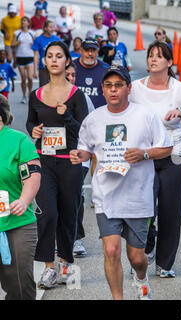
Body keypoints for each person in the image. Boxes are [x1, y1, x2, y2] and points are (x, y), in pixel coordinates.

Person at [70, 65, 173, 300]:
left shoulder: (145, 116)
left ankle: (141, 278)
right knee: (111, 250)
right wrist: (81, 156)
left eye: (118, 85)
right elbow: (85, 149)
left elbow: (167, 148)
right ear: (103, 90)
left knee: (137, 257)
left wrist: (144, 154)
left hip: (138, 195)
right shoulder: (94, 119)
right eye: (108, 86)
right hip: (106, 195)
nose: (113, 90)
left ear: (128, 88)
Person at [129, 41, 181, 278]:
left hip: (175, 155)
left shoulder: (178, 89)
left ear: (169, 62)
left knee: (171, 210)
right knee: (143, 208)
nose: (153, 59)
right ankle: (146, 244)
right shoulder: (136, 88)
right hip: (145, 156)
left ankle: (164, 264)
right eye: (150, 55)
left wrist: (180, 112)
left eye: (159, 56)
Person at [26, 41, 88, 290]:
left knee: (68, 214)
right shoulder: (36, 95)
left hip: (69, 163)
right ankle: (48, 268)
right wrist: (35, 130)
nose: (53, 60)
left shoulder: (76, 95)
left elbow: (85, 130)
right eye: (49, 56)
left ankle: (65, 264)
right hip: (45, 162)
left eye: (59, 56)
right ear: (45, 61)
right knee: (47, 214)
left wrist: (67, 116)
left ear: (66, 62)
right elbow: (30, 124)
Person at [0, 94, 41, 300]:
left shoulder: (19, 141)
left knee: (19, 284)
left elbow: (32, 176)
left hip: (16, 222)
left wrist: (24, 200)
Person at [65, 62, 95, 258]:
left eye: (73, 75)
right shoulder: (44, 95)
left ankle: (76, 238)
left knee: (75, 195)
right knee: (60, 197)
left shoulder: (82, 97)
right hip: (55, 154)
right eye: (67, 74)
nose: (70, 78)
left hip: (78, 155)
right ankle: (62, 237)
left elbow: (90, 126)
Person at [73, 39, 109, 109]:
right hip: (76, 115)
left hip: (99, 115)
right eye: (87, 50)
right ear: (81, 51)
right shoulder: (71, 67)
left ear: (97, 51)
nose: (90, 54)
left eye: (93, 50)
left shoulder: (106, 69)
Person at [12, 16, 36, 104]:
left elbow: (36, 46)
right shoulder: (17, 33)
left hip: (30, 57)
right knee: (23, 78)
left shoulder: (32, 33)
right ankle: (24, 95)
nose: (23, 22)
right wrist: (16, 43)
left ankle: (30, 93)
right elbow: (12, 45)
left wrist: (33, 44)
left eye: (25, 21)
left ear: (28, 23)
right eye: (22, 21)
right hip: (20, 57)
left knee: (30, 77)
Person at [32, 20, 60, 87]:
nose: (52, 29)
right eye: (50, 27)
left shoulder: (57, 39)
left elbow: (61, 54)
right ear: (45, 28)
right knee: (43, 88)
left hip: (55, 67)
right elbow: (36, 55)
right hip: (43, 67)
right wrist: (35, 70)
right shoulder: (38, 39)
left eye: (53, 27)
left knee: (55, 87)